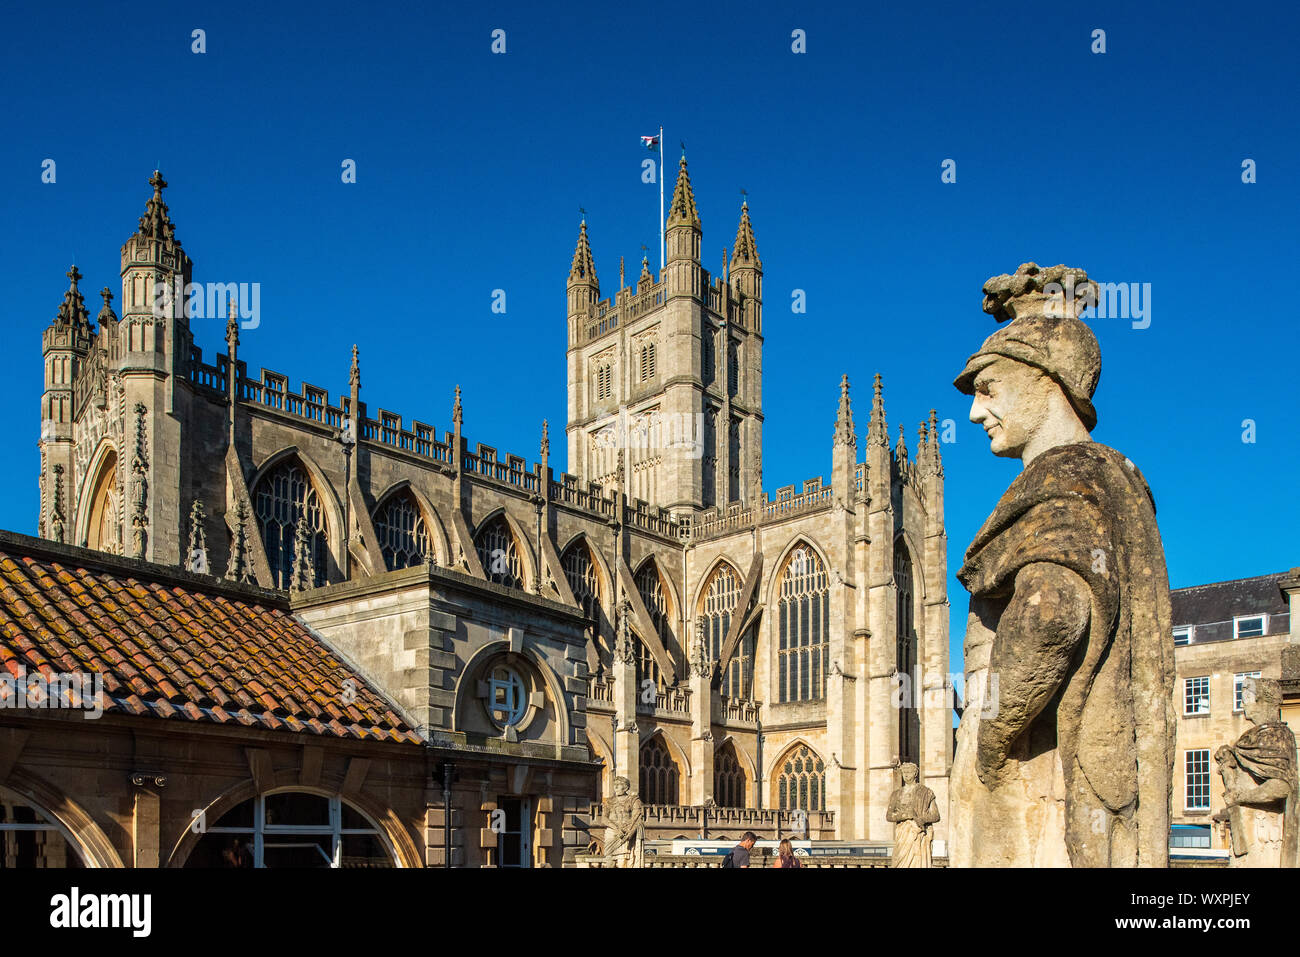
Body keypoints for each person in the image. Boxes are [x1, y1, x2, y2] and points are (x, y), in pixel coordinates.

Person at [949, 263, 1175, 868]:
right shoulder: (1122, 480)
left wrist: (991, 741)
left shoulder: (1064, 478)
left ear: (1042, 378)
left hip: (1036, 780)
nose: (975, 412)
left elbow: (1050, 616)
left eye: (987, 387)